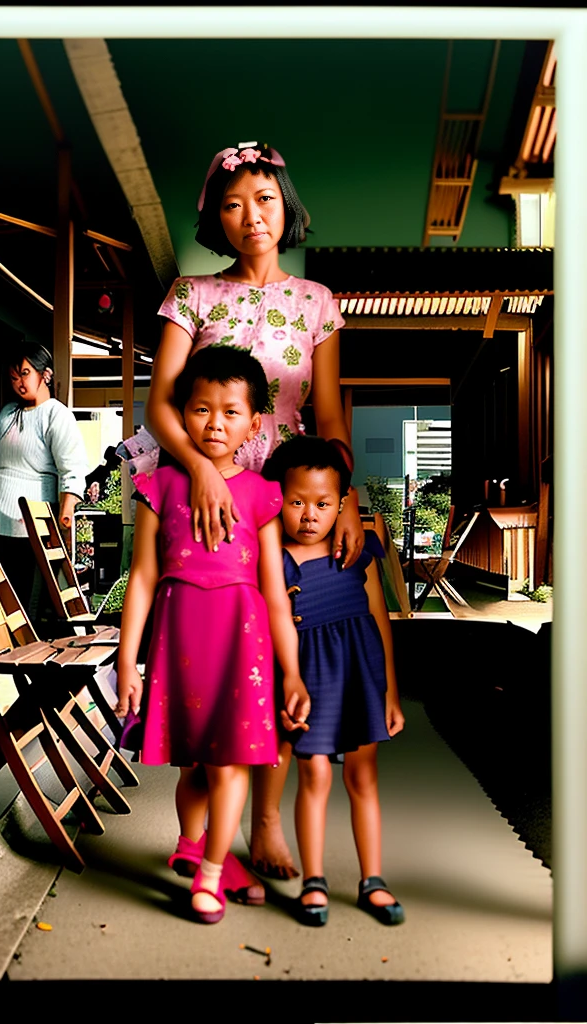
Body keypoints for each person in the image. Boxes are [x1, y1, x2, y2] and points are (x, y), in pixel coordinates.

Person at [120, 139, 364, 879]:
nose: (251, 215)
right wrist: (197, 467)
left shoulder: (318, 302)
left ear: (286, 204)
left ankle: (264, 826)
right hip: (203, 498)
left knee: (282, 653)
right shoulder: (190, 294)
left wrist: (346, 500)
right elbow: (161, 402)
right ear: (214, 218)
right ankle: (204, 837)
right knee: (212, 660)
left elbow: (328, 416)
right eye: (233, 203)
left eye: (264, 199)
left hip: (286, 500)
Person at [115, 347, 310, 924]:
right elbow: (143, 578)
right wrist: (129, 662)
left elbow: (275, 592)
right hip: (179, 642)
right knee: (192, 766)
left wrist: (292, 670)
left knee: (230, 765)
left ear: (255, 424)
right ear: (181, 412)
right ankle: (192, 841)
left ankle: (211, 873)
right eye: (201, 409)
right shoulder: (158, 485)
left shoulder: (262, 495)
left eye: (230, 412)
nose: (215, 424)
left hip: (241, 645)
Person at [264, 435, 405, 926]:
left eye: (322, 504)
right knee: (315, 775)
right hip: (308, 677)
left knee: (362, 776)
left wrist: (390, 690)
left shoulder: (353, 551)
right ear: (277, 498)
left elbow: (379, 618)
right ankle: (314, 881)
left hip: (359, 672)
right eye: (296, 502)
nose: (308, 515)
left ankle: (373, 880)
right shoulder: (272, 560)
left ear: (342, 502)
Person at [0, 342, 87, 621]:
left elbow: (72, 467)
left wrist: (66, 513)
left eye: (25, 373)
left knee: (26, 595)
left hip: (32, 514)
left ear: (44, 374)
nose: (19, 382)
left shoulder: (57, 414)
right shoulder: (7, 412)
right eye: (13, 377)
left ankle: (26, 653)